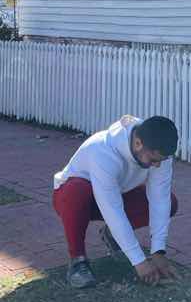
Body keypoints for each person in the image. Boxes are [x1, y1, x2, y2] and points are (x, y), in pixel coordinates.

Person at [53, 114, 179, 289]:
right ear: (138, 143)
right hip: (73, 199)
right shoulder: (102, 150)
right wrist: (139, 262)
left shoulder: (157, 151)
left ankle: (112, 235)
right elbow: (112, 209)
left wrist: (158, 251)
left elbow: (160, 199)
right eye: (153, 160)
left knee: (171, 202)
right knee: (77, 189)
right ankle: (78, 261)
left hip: (116, 194)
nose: (157, 165)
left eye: (161, 160)